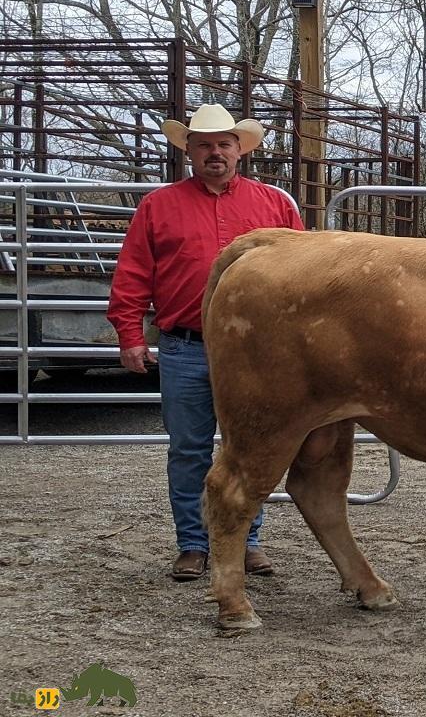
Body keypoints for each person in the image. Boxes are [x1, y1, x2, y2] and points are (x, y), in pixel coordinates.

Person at [107, 104, 305, 582]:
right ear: (188, 151)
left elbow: (303, 275)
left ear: (239, 150)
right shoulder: (157, 206)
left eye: (223, 144)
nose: (214, 152)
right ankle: (193, 544)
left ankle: (246, 540)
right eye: (204, 145)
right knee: (190, 448)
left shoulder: (274, 206)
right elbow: (133, 275)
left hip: (256, 350)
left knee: (249, 446)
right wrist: (130, 334)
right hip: (185, 345)